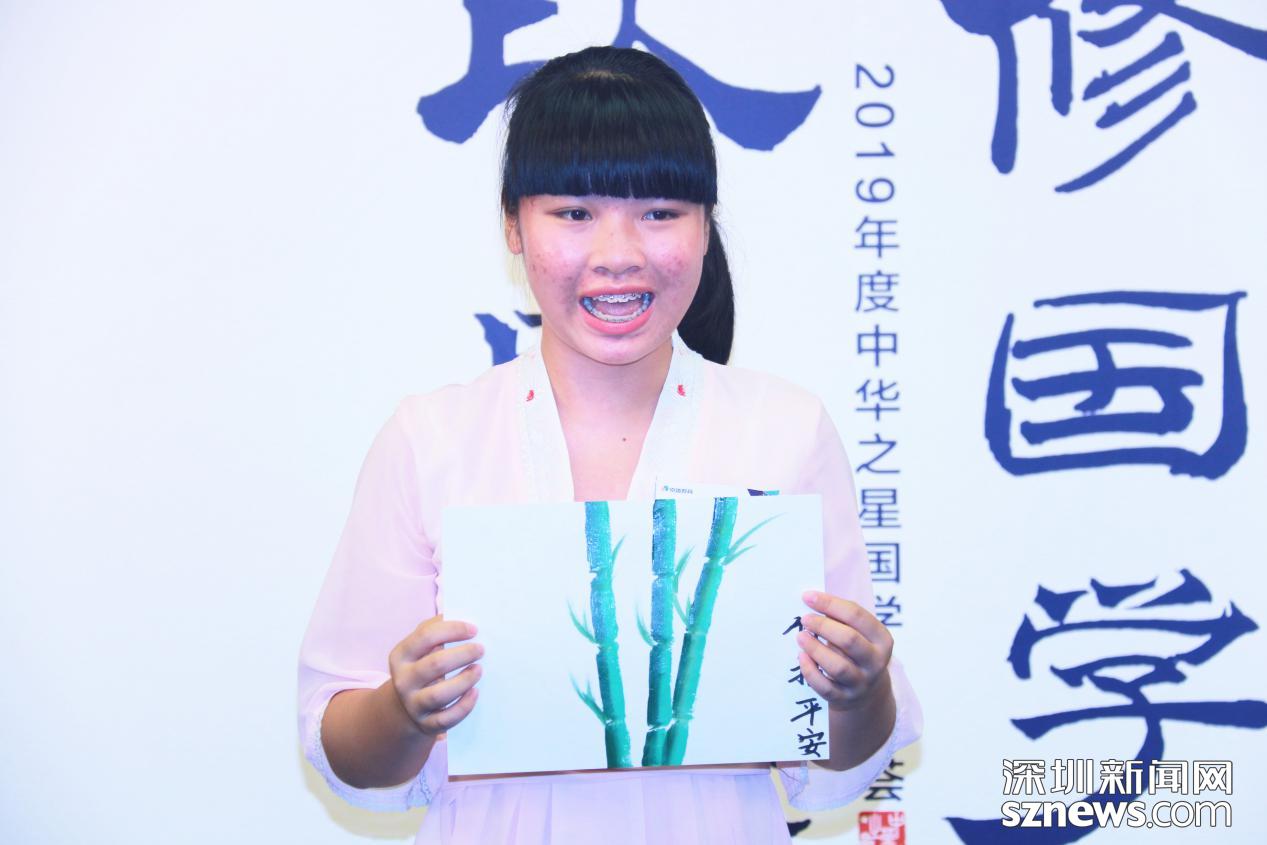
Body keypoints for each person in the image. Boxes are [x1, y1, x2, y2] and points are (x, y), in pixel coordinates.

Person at [298, 45, 921, 844]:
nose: (618, 254)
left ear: (704, 227)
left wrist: (861, 688)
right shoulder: (431, 439)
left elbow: (837, 759)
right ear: (513, 225)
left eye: (659, 212)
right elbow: (346, 750)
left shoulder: (784, 430)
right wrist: (403, 707)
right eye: (574, 213)